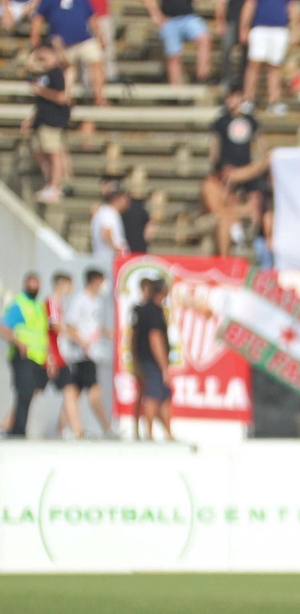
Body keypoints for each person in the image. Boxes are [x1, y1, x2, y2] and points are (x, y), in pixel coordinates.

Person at [203, 85, 267, 254]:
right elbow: (215, 146)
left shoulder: (250, 121)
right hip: (228, 169)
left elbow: (259, 143)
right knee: (228, 200)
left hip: (246, 168)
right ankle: (238, 233)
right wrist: (217, 164)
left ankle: (253, 232)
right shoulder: (221, 121)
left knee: (255, 196)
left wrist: (258, 162)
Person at [51, 267, 112, 438]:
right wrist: (81, 342)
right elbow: (70, 325)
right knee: (94, 391)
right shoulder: (80, 300)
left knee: (73, 393)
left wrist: (106, 332)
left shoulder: (97, 301)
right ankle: (106, 428)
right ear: (94, 281)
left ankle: (60, 429)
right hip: (82, 354)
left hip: (93, 351)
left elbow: (92, 326)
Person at [32, 0, 106, 107]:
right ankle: (66, 99)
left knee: (96, 59)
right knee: (66, 68)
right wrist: (35, 38)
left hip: (83, 40)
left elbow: (91, 16)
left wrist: (99, 35)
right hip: (60, 43)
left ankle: (99, 97)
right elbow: (38, 17)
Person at [2, 273, 50, 438]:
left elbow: (42, 334)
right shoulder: (19, 304)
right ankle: (17, 430)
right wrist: (19, 344)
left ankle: (15, 427)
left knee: (30, 392)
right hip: (23, 355)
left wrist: (49, 357)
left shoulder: (38, 305)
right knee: (24, 392)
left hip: (37, 356)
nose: (34, 287)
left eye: (37, 284)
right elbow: (4, 327)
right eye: (31, 284)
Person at [23, 44, 71, 204]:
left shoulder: (56, 73)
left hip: (52, 120)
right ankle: (51, 182)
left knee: (54, 154)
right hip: (43, 119)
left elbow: (61, 97)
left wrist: (40, 90)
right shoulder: (45, 74)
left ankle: (55, 186)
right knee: (40, 151)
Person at [239, 0, 299, 115]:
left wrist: (295, 29)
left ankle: (274, 101)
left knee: (275, 67)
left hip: (280, 29)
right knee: (254, 64)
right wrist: (244, 27)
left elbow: (292, 7)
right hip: (260, 28)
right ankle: (248, 99)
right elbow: (250, 4)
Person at [131, 277, 174, 440]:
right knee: (153, 395)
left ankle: (167, 433)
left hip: (144, 358)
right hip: (153, 360)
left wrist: (136, 358)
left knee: (164, 396)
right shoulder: (155, 311)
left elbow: (134, 336)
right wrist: (163, 367)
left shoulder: (141, 309)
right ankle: (148, 434)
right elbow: (155, 338)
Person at [142, 0, 211, 85]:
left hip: (188, 17)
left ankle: (202, 77)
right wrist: (156, 16)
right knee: (173, 57)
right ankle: (176, 90)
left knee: (204, 38)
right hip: (169, 20)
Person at [214, 0, 248, 88]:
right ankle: (226, 79)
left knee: (247, 54)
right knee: (227, 49)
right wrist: (220, 21)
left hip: (247, 22)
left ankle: (243, 82)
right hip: (231, 20)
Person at [90, 187, 129, 261]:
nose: (128, 202)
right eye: (125, 198)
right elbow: (105, 232)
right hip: (109, 259)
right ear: (117, 198)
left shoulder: (111, 213)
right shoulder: (107, 213)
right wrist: (117, 249)